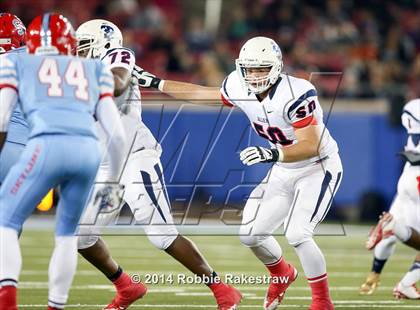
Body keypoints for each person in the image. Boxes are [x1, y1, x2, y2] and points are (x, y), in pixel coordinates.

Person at [133, 36, 343, 310]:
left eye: (261, 69)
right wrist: (158, 83)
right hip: (283, 168)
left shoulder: (296, 92)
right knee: (251, 235)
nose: (254, 75)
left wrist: (273, 153)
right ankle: (282, 273)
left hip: (318, 167)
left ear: (277, 67)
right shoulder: (236, 84)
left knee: (298, 234)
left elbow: (311, 144)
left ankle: (322, 302)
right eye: (249, 69)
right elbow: (201, 94)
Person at [75, 19, 242, 310]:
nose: (78, 53)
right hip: (104, 165)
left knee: (161, 235)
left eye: (84, 46)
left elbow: (116, 83)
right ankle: (126, 287)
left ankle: (222, 289)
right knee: (80, 235)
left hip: (135, 157)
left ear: (101, 44)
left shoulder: (118, 56)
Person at [0, 13, 126, 310]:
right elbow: (117, 136)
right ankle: (56, 305)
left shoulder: (15, 63)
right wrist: (113, 181)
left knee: (6, 223)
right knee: (67, 235)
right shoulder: (93, 68)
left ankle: (6, 302)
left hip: (43, 147)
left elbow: (1, 120)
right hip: (87, 152)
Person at [364, 99, 420, 299]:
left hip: (408, 175)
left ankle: (405, 284)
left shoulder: (412, 107)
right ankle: (393, 227)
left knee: (415, 239)